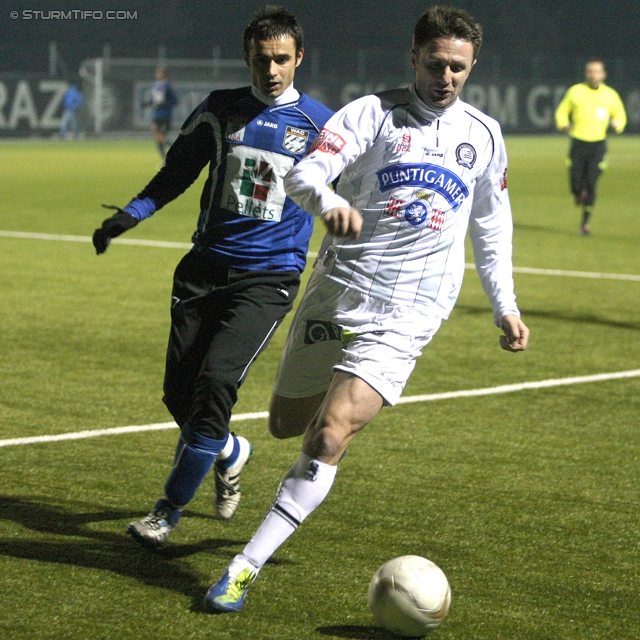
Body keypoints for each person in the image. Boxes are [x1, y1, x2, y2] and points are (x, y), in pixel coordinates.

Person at [204, 5, 530, 613]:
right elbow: (303, 175)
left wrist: (504, 306)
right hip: (340, 288)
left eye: (459, 68)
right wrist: (327, 200)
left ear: (472, 66)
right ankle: (280, 454)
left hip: (411, 309)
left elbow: (491, 225)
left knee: (331, 432)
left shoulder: (483, 135)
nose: (447, 77)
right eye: (436, 64)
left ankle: (243, 568)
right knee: (286, 425)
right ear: (415, 58)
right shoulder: (371, 113)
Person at [92, 6, 333, 548]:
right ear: (246, 57)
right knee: (178, 395)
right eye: (260, 58)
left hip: (268, 278)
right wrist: (127, 216)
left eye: (281, 59)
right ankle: (230, 450)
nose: (270, 69)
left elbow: (350, 194)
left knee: (217, 382)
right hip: (203, 269)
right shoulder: (220, 110)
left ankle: (166, 510)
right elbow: (176, 172)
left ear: (298, 58)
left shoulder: (322, 126)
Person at [555, 59, 627, 235]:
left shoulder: (610, 95)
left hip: (598, 145)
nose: (593, 75)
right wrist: (563, 124)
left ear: (603, 75)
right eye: (590, 71)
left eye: (597, 72)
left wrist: (618, 125)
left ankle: (585, 223)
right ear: (586, 74)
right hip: (578, 143)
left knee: (592, 182)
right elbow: (562, 111)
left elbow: (620, 115)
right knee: (576, 182)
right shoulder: (576, 92)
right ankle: (578, 193)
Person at [146, 67, 179, 162]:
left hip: (165, 116)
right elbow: (156, 100)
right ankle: (165, 159)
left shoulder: (167, 86)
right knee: (158, 138)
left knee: (160, 137)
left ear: (164, 74)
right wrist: (148, 103)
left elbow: (175, 101)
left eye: (159, 73)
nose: (157, 74)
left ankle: (179, 151)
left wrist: (165, 104)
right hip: (156, 115)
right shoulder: (156, 85)